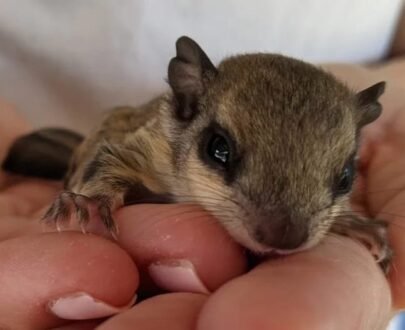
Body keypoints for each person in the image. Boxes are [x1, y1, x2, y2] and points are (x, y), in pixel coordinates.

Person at [1, 60, 405, 328]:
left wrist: (342, 217)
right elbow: (115, 161)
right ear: (187, 105)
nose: (286, 232)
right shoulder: (160, 142)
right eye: (222, 153)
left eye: (340, 178)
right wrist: (92, 195)